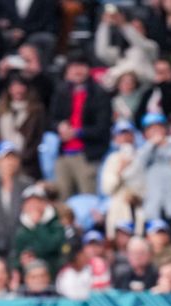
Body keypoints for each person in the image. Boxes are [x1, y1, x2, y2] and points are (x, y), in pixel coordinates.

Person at [49, 55, 112, 199]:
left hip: (87, 155)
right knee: (62, 198)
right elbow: (51, 120)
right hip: (63, 154)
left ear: (89, 69)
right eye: (73, 67)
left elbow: (102, 128)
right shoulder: (61, 92)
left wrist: (77, 133)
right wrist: (59, 126)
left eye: (81, 66)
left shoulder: (100, 94)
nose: (77, 71)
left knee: (88, 198)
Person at [0, 73, 45, 180]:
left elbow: (37, 139)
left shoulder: (36, 111)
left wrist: (19, 159)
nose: (17, 90)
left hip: (28, 163)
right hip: (4, 159)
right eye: (14, 86)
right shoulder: (1, 112)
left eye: (20, 86)